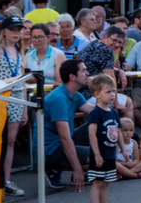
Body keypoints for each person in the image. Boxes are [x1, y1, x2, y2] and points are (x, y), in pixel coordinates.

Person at [0, 16, 29, 196]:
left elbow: (23, 80)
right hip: (1, 98)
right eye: (13, 29)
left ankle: (6, 179)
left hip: (17, 98)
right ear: (4, 31)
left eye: (19, 30)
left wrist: (25, 108)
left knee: (11, 141)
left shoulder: (19, 50)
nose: (17, 33)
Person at [44, 60, 94, 192]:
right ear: (72, 77)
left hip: (63, 141)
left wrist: (102, 89)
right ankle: (53, 168)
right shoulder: (58, 99)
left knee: (97, 124)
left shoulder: (74, 94)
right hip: (50, 150)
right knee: (99, 158)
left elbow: (96, 113)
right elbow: (64, 138)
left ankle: (88, 168)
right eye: (83, 70)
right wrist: (77, 169)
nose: (87, 73)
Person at [87, 73, 121, 200]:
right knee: (98, 182)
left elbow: (118, 131)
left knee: (106, 183)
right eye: (108, 92)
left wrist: (122, 149)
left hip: (110, 154)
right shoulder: (95, 113)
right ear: (97, 94)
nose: (112, 94)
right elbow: (92, 134)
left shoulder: (113, 113)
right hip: (99, 154)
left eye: (113, 91)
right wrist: (96, 154)